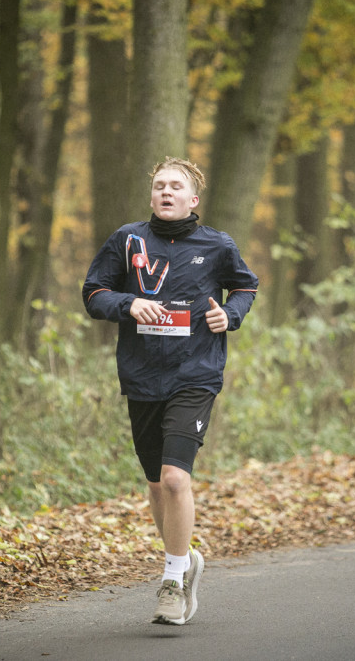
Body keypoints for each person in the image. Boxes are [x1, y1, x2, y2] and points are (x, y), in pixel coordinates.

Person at [82, 157, 258, 625]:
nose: (165, 192)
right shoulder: (127, 240)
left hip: (195, 374)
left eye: (175, 186)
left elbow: (244, 287)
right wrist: (130, 303)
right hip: (141, 376)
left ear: (192, 199)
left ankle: (173, 580)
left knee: (177, 478)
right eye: (159, 185)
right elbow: (93, 294)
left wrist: (230, 315)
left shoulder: (217, 244)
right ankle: (186, 557)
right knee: (157, 484)